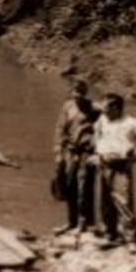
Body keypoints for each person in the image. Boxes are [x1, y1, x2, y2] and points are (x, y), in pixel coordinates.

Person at [93, 93, 136, 249]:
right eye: (104, 106)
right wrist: (97, 149)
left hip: (121, 166)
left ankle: (131, 238)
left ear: (116, 107)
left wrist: (135, 152)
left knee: (124, 202)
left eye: (107, 107)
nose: (104, 110)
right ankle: (110, 234)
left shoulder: (131, 123)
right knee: (105, 202)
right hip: (104, 164)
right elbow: (96, 130)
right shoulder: (102, 119)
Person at [52, 79, 99, 236]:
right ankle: (71, 222)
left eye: (81, 92)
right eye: (75, 91)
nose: (77, 95)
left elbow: (106, 126)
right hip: (70, 151)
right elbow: (60, 129)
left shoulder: (94, 108)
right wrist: (58, 152)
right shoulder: (67, 106)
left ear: (86, 92)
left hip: (87, 152)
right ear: (71, 91)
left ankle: (84, 223)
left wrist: (95, 144)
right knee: (69, 186)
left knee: (84, 186)